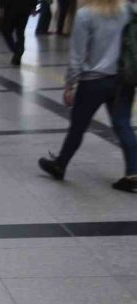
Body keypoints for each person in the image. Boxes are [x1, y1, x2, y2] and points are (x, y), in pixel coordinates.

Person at [38, 0, 137, 191]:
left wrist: (70, 85)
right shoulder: (127, 11)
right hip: (122, 79)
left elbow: (76, 56)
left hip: (93, 81)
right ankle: (133, 173)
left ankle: (60, 165)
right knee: (123, 124)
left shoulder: (86, 15)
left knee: (78, 126)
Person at [0, 0, 39, 64]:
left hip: (11, 8)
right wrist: (33, 6)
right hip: (24, 7)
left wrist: (1, 6)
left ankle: (17, 50)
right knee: (20, 32)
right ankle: (19, 51)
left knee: (6, 30)